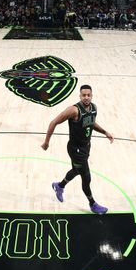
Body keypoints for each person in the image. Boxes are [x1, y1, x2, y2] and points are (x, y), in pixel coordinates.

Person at [41, 85, 114, 214]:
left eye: (88, 95)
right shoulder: (74, 110)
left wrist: (105, 132)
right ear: (79, 96)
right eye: (83, 95)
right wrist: (46, 142)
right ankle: (92, 204)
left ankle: (59, 186)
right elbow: (53, 122)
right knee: (86, 177)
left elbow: (91, 123)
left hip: (86, 147)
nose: (86, 97)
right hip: (76, 150)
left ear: (92, 95)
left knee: (76, 170)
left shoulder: (94, 108)